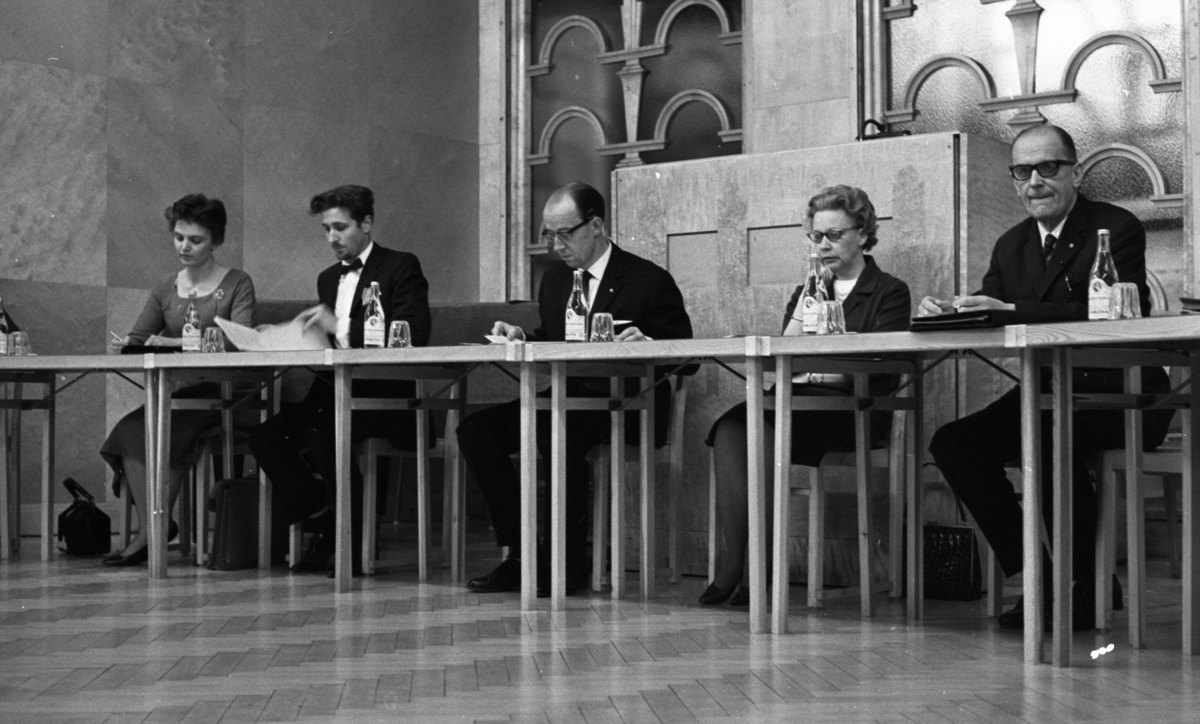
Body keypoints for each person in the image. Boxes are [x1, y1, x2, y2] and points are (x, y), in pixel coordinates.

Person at [922, 124, 1173, 632]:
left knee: (1050, 432)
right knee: (954, 443)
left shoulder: (1115, 228)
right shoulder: (1010, 244)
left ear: (1074, 172)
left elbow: (1112, 311)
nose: (1034, 181)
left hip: (1122, 393)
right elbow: (991, 312)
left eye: (1048, 168)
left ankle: (1080, 586)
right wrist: (950, 311)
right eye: (1022, 171)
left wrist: (1010, 309)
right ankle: (1039, 574)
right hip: (1049, 392)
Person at [458, 182, 693, 596]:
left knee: (555, 426)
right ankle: (523, 555)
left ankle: (567, 565)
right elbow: (556, 339)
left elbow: (688, 357)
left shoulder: (647, 279)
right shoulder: (555, 280)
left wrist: (650, 345)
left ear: (596, 226)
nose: (556, 246)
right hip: (567, 398)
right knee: (477, 430)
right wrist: (521, 337)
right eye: (549, 235)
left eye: (565, 233)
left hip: (628, 404)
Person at [701, 185, 911, 606]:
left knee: (759, 425)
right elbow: (788, 350)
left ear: (863, 234)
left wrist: (822, 362)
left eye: (834, 235)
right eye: (816, 236)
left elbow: (881, 364)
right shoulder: (808, 289)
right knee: (732, 426)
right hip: (796, 401)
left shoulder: (888, 290)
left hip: (852, 409)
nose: (823, 245)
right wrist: (813, 291)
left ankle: (755, 572)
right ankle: (736, 565)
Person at [248, 185, 431, 577]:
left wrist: (340, 326)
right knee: (265, 437)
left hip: (388, 395)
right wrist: (289, 335)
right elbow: (331, 343)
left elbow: (414, 333)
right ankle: (326, 518)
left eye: (340, 227)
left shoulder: (400, 265)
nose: (332, 237)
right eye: (326, 229)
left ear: (366, 224)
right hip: (333, 391)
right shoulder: (328, 278)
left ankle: (349, 541)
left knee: (322, 430)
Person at [101, 194, 256, 566]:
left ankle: (149, 535)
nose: (184, 246)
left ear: (216, 240)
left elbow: (242, 341)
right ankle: (153, 527)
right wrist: (131, 345)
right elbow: (138, 338)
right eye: (179, 237)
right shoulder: (165, 287)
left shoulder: (238, 282)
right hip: (181, 394)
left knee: (166, 428)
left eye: (195, 240)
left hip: (228, 394)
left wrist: (173, 343)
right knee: (129, 429)